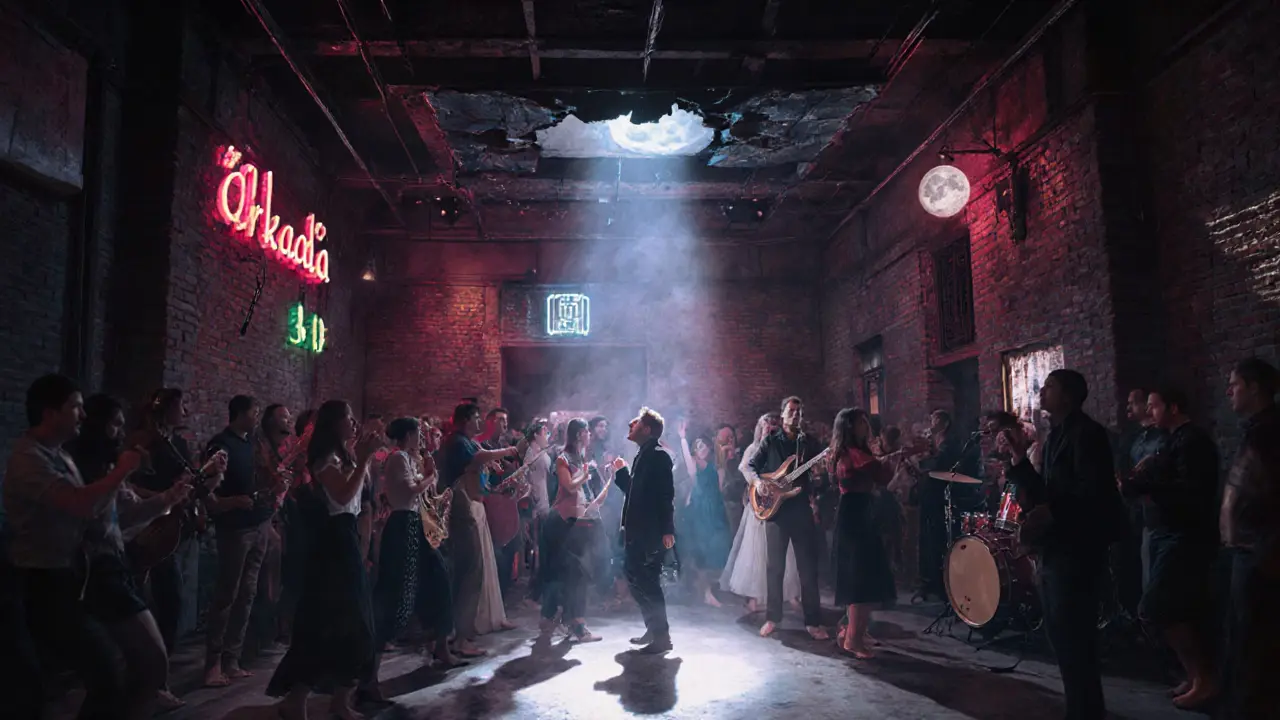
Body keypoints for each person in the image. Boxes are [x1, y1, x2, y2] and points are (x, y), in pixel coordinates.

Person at [1002, 369, 1128, 720]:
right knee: (1063, 637)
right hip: (1058, 548)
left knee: (1076, 640)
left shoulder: (1088, 435)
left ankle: (1086, 711)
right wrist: (1018, 458)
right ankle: (1082, 708)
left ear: (1069, 396)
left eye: (1050, 387)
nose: (1042, 391)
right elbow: (1046, 492)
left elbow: (1094, 493)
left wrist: (1050, 511)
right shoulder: (1058, 434)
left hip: (1078, 550)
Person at [267, 401, 383, 720]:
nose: (354, 422)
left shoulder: (345, 455)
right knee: (331, 624)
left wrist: (362, 457)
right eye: (348, 418)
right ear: (334, 424)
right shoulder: (324, 459)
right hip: (332, 544)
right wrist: (363, 460)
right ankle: (298, 700)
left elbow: (361, 501)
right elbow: (343, 495)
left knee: (355, 624)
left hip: (347, 537)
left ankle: (338, 702)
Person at [1122, 386, 1219, 709]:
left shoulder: (1192, 441)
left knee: (1159, 608)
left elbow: (1191, 492)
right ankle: (1194, 677)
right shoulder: (1173, 441)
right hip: (1167, 532)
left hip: (1183, 535)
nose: (1149, 413)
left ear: (1173, 407)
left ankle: (1204, 678)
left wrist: (1146, 483)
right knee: (1175, 609)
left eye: (1154, 406)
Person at [371, 418, 461, 674]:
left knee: (440, 576)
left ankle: (440, 643)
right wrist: (430, 477)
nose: (421, 437)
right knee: (398, 593)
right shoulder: (397, 458)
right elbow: (411, 490)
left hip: (415, 524)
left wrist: (429, 475)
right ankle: (372, 667)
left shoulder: (411, 458)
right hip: (402, 525)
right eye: (418, 432)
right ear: (408, 434)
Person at [1219, 358, 1280, 719]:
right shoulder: (1258, 430)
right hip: (1251, 549)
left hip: (1261, 551)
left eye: (1235, 383)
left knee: (1253, 645)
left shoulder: (1269, 432)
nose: (1230, 391)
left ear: (1255, 387)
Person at [203, 395, 274, 688]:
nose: (257, 418)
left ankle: (232, 660)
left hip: (257, 525)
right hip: (234, 529)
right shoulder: (221, 445)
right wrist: (231, 502)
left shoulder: (251, 444)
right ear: (240, 414)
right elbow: (207, 493)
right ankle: (213, 664)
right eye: (254, 413)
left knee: (247, 594)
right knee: (227, 596)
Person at [745, 396, 828, 640]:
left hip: (800, 509)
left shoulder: (809, 443)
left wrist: (819, 477)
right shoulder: (770, 441)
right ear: (782, 415)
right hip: (776, 511)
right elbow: (751, 466)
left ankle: (813, 621)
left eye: (799, 412)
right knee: (775, 568)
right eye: (791, 411)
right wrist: (759, 483)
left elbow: (819, 481)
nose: (795, 415)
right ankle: (772, 618)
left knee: (807, 569)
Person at [829, 408, 895, 658]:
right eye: (861, 422)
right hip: (855, 515)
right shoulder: (850, 454)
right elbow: (880, 474)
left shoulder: (855, 452)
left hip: (861, 512)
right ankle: (852, 640)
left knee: (863, 576)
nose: (866, 425)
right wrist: (891, 456)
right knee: (859, 578)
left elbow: (881, 474)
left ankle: (855, 632)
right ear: (849, 426)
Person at [722, 413, 800, 613]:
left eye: (771, 425)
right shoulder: (753, 448)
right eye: (764, 425)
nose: (767, 427)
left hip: (778, 503)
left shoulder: (779, 448)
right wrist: (758, 483)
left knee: (783, 550)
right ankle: (754, 597)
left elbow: (787, 471)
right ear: (759, 428)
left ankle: (790, 594)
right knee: (755, 549)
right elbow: (747, 470)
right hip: (759, 504)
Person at [613, 407, 676, 654]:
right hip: (637, 531)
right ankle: (654, 629)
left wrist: (667, 530)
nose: (631, 424)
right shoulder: (643, 454)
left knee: (648, 582)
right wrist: (621, 473)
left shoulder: (659, 456)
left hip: (650, 532)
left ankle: (662, 637)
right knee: (635, 577)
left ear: (647, 429)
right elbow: (636, 493)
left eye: (636, 422)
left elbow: (665, 496)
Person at [539, 418, 606, 642]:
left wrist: (605, 479)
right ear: (579, 434)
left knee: (573, 575)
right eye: (587, 431)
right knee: (569, 575)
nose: (590, 435)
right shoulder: (563, 459)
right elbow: (568, 486)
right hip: (561, 524)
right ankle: (570, 624)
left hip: (577, 524)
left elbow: (587, 497)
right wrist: (585, 474)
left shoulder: (581, 458)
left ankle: (562, 621)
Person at [677, 422, 732, 607]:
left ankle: (705, 590)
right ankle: (703, 592)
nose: (700, 449)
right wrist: (683, 438)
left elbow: (720, 488)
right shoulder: (695, 464)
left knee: (714, 552)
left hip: (714, 511)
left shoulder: (716, 466)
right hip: (698, 512)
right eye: (697, 446)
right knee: (699, 551)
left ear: (709, 447)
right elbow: (688, 462)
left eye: (703, 445)